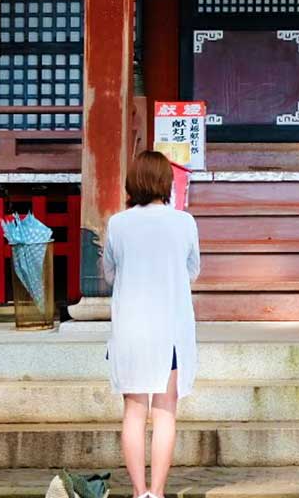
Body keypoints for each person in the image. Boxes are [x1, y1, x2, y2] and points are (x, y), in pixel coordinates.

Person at [102, 150, 200, 498]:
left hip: (130, 328)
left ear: (133, 183)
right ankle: (157, 493)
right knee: (164, 412)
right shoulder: (184, 222)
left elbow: (110, 273)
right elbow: (192, 271)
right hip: (169, 330)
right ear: (166, 183)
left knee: (133, 410)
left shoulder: (117, 223)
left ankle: (138, 491)